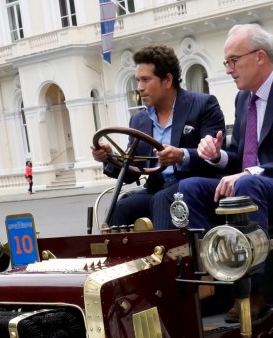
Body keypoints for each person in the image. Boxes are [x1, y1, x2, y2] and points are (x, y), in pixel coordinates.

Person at [177, 23, 273, 317]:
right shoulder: (244, 98)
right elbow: (242, 156)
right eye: (226, 62)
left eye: (234, 60)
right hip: (251, 185)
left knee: (246, 187)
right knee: (189, 187)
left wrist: (250, 173)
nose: (229, 69)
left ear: (260, 56)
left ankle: (254, 290)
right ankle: (217, 283)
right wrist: (218, 157)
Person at [91, 44, 224, 229]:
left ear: (168, 80)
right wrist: (109, 156)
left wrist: (181, 155)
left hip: (194, 186)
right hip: (156, 188)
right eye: (137, 80)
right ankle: (119, 257)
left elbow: (214, 155)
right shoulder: (139, 120)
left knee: (162, 200)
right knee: (122, 206)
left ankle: (162, 257)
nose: (139, 87)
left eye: (145, 80)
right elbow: (131, 171)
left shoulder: (203, 105)